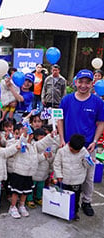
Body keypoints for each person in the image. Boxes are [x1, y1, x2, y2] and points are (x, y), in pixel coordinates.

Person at [58, 69, 104, 217]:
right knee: (67, 174)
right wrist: (62, 139)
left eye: (87, 82)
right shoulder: (66, 100)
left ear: (92, 84)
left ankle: (86, 201)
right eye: (81, 82)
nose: (83, 85)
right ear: (75, 82)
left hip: (88, 146)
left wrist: (95, 141)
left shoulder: (98, 102)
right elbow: (60, 119)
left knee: (88, 177)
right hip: (68, 146)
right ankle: (67, 201)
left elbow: (101, 122)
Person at [54, 134, 92, 220]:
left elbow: (86, 166)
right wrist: (59, 175)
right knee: (63, 196)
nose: (75, 152)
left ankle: (74, 212)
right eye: (73, 150)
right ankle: (62, 210)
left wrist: (88, 162)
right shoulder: (62, 151)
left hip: (77, 180)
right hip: (64, 179)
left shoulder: (84, 152)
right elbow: (57, 164)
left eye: (77, 151)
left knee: (75, 198)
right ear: (69, 144)